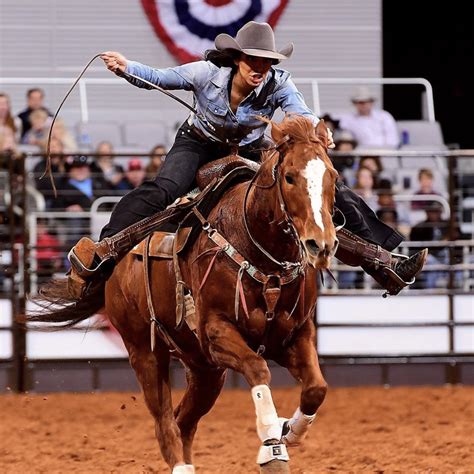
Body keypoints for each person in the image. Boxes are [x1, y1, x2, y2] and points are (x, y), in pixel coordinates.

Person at [66, 21, 427, 299]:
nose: (260, 68)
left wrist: (318, 128)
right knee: (167, 189)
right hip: (199, 143)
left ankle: (383, 262)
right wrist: (127, 67)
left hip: (251, 150)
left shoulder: (280, 83)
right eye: (253, 60)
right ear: (237, 59)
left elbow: (300, 112)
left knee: (317, 189)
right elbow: (160, 78)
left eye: (266, 62)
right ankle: (104, 249)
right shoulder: (206, 74)